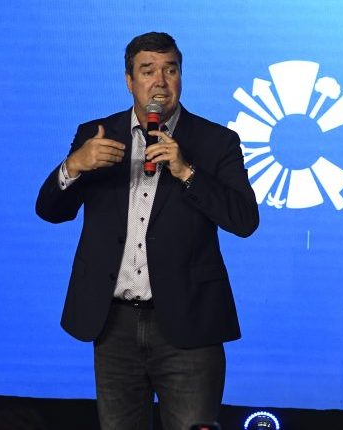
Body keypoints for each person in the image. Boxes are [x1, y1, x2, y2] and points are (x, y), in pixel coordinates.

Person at [36, 32, 259, 430]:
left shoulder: (215, 141)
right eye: (147, 70)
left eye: (170, 70)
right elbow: (51, 211)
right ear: (129, 80)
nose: (160, 81)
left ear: (181, 76)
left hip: (189, 325)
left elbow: (244, 221)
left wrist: (187, 172)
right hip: (113, 325)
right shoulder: (97, 135)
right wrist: (74, 166)